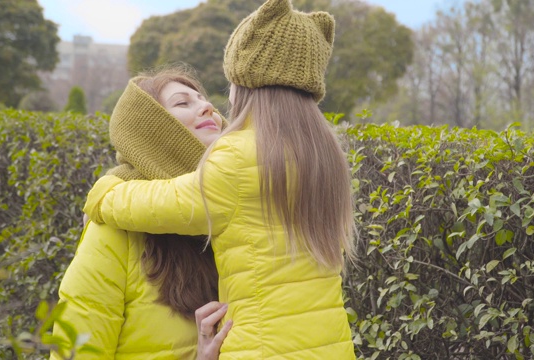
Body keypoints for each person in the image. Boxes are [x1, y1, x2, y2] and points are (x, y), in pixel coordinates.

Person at [83, 0, 356, 358]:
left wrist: (104, 192)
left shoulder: (237, 157)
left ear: (245, 84)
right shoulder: (325, 158)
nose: (215, 104)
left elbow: (165, 202)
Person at [50, 65, 231, 360]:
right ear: (153, 131)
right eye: (183, 102)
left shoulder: (231, 213)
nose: (208, 107)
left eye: (203, 99)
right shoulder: (113, 228)